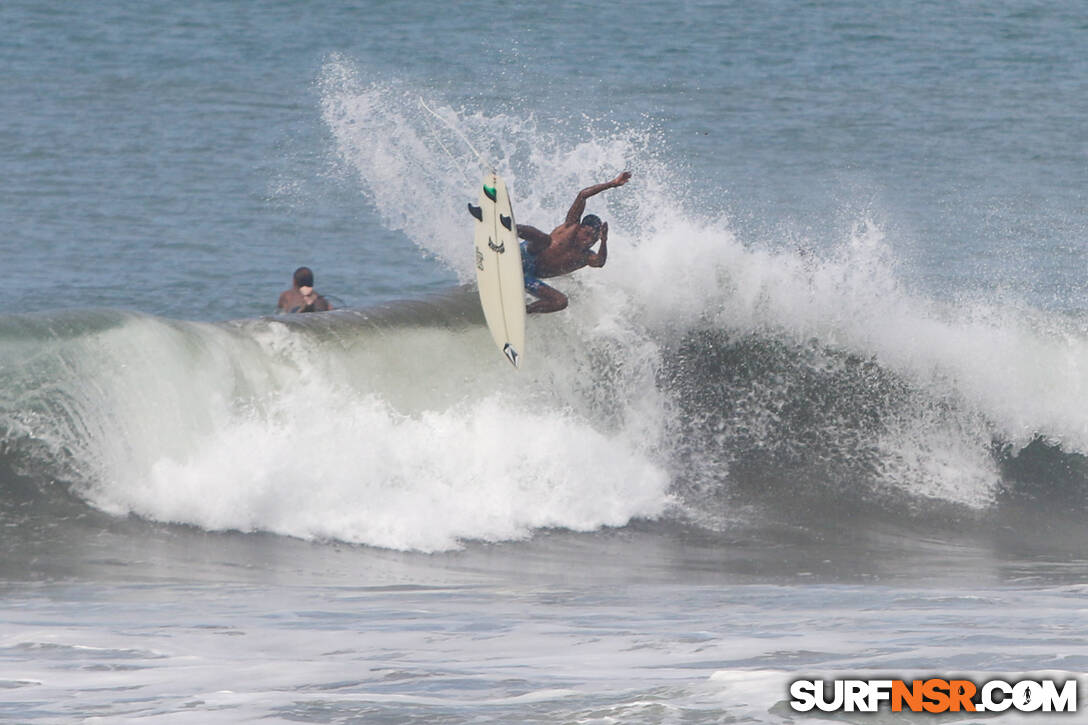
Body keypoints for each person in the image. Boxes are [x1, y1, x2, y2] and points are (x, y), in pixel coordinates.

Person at [515, 171, 631, 313]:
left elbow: (600, 262)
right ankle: (509, 228)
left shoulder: (586, 256)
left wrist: (604, 241)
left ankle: (522, 311)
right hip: (524, 255)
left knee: (561, 302)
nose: (589, 240)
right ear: (580, 228)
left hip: (528, 277)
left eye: (594, 239)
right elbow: (583, 195)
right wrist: (611, 184)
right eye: (587, 234)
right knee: (545, 240)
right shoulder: (570, 227)